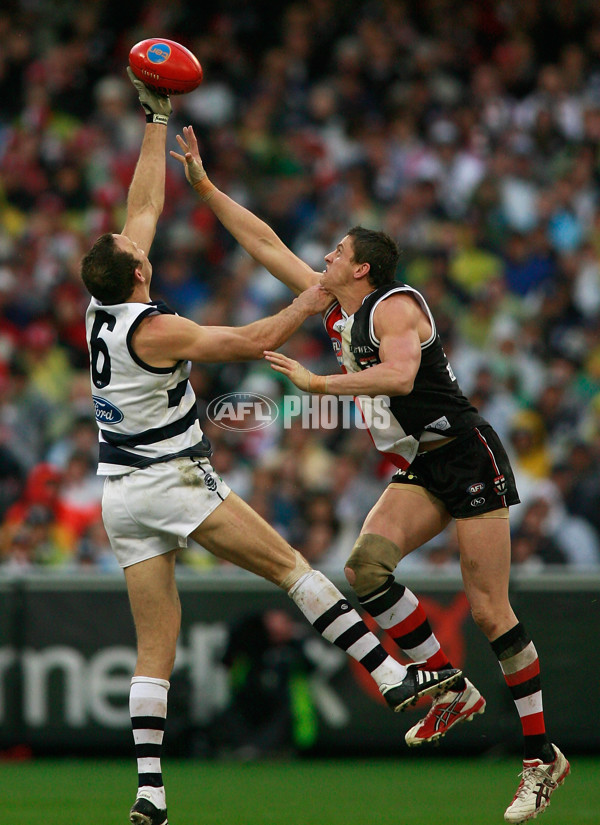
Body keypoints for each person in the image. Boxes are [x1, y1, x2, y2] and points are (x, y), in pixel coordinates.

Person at [81, 74, 461, 825]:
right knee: (293, 568)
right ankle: (394, 678)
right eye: (134, 247)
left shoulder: (101, 304)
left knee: (156, 644)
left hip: (119, 495)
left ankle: (150, 791)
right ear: (139, 273)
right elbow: (254, 340)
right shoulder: (154, 327)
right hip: (171, 478)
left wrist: (155, 118)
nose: (137, 233)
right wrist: (311, 301)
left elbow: (146, 205)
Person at [170, 125, 570, 824]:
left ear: (361, 269)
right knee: (366, 566)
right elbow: (266, 244)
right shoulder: (340, 304)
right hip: (420, 463)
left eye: (335, 253)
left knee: (489, 609)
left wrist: (318, 384)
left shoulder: (397, 306)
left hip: (467, 455)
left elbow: (400, 373)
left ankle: (541, 759)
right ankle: (447, 683)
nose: (322, 258)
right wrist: (205, 188)